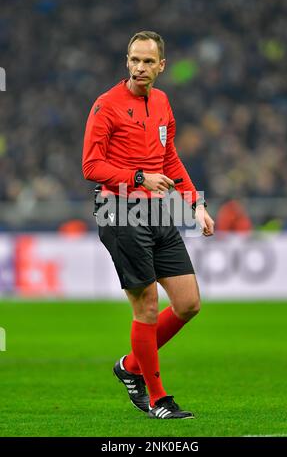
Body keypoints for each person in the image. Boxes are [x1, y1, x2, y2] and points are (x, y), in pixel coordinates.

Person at [82, 31, 214, 419]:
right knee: (148, 306)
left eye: (147, 61)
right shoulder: (105, 106)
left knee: (188, 303)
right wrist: (139, 177)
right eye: (133, 60)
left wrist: (196, 205)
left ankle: (130, 366)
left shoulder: (162, 102)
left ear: (161, 66)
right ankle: (158, 400)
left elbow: (169, 159)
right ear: (127, 62)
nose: (139, 68)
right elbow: (91, 166)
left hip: (156, 212)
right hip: (119, 211)